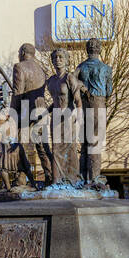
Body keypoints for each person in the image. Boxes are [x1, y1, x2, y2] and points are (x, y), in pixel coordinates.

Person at [11, 43, 52, 185]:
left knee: (20, 144)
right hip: (41, 109)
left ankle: (21, 178)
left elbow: (18, 92)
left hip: (25, 110)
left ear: (22, 52)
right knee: (42, 147)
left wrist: (12, 113)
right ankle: (51, 176)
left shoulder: (19, 67)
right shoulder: (42, 69)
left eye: (18, 52)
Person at [42, 48, 83, 184]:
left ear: (66, 60)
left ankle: (72, 179)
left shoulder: (69, 77)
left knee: (69, 148)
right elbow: (54, 101)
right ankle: (57, 180)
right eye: (55, 58)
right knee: (56, 149)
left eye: (60, 57)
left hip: (68, 116)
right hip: (56, 117)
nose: (57, 60)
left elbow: (77, 99)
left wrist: (78, 110)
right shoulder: (51, 81)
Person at [76, 38, 113, 184]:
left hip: (84, 105)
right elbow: (109, 91)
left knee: (85, 142)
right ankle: (94, 179)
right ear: (99, 50)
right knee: (95, 142)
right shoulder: (106, 69)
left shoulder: (80, 67)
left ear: (87, 50)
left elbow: (71, 80)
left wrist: (83, 87)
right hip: (98, 103)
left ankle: (83, 178)